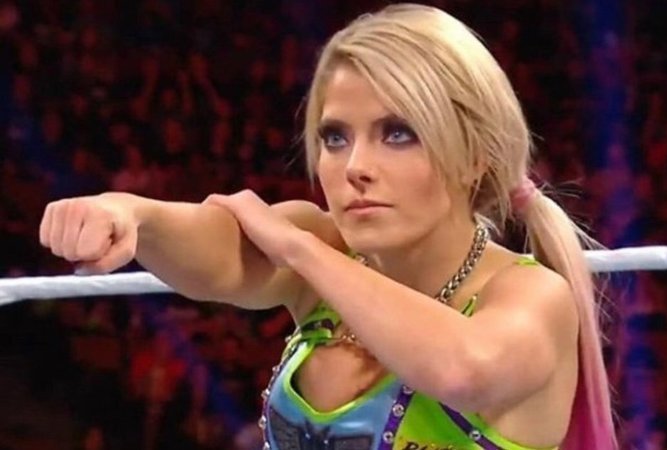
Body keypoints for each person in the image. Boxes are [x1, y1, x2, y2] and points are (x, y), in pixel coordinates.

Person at [39, 4, 616, 449]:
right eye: (335, 138)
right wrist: (134, 214)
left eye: (398, 134)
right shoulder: (323, 244)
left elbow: (462, 371)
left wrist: (301, 251)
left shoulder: (532, 295)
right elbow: (215, 254)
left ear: (473, 158)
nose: (355, 167)